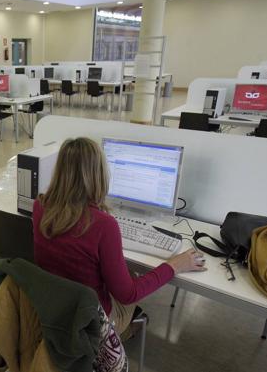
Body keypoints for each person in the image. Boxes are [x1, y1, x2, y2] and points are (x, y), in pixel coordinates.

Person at [32, 137, 206, 338]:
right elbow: (127, 295)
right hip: (92, 322)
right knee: (132, 281)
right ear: (99, 175)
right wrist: (175, 265)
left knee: (127, 271)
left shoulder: (41, 206)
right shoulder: (104, 225)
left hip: (53, 307)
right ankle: (121, 333)